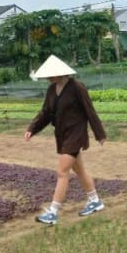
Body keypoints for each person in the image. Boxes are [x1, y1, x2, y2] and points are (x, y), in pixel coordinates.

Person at [25, 54, 107, 225]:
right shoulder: (51, 90)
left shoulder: (77, 87)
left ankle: (53, 212)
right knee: (79, 171)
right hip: (62, 135)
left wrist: (99, 133)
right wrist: (32, 129)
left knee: (62, 172)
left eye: (49, 74)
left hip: (76, 134)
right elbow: (46, 113)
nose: (47, 78)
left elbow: (89, 110)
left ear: (59, 72)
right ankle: (95, 201)